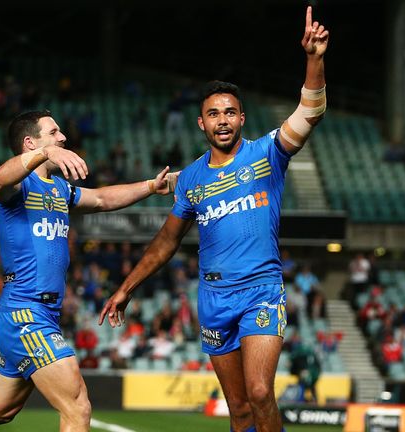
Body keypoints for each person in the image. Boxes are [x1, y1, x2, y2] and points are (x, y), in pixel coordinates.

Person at [99, 7, 329, 432]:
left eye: (229, 112)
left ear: (241, 118)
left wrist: (314, 58)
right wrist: (125, 289)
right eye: (213, 114)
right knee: (239, 409)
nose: (222, 120)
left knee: (261, 393)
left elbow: (309, 112)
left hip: (261, 290)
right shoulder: (189, 180)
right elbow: (166, 243)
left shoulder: (267, 155)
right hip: (213, 299)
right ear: (201, 123)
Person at [0, 109, 177, 432]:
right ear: (30, 142)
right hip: (25, 312)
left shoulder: (60, 189)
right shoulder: (16, 188)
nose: (62, 138)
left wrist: (150, 185)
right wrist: (46, 153)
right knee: (78, 408)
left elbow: (103, 199)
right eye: (53, 133)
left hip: (40, 313)